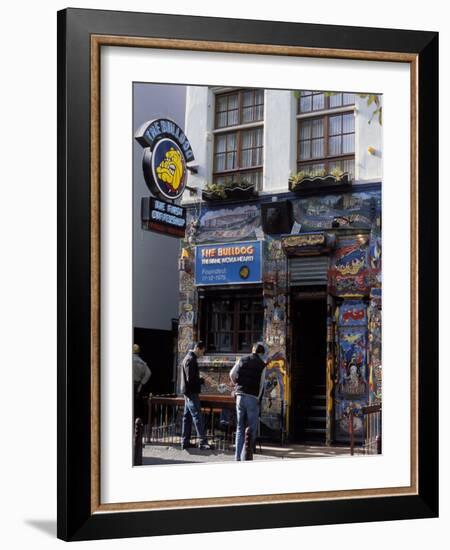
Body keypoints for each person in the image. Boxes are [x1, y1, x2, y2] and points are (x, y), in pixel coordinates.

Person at [230, 343, 266, 461]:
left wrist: (236, 384)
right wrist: (258, 398)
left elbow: (232, 374)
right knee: (252, 428)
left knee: (240, 427)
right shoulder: (262, 365)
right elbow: (261, 385)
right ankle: (246, 455)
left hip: (240, 396)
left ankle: (237, 457)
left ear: (252, 350)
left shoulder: (242, 359)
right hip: (252, 397)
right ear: (261, 353)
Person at [180, 341, 212, 450]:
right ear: (198, 348)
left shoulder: (188, 358)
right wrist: (202, 381)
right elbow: (191, 379)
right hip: (191, 392)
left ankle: (185, 442)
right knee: (197, 416)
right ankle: (202, 441)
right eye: (202, 352)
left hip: (187, 392)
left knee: (187, 417)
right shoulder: (191, 360)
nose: (202, 354)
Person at [133, 344, 151, 421]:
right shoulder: (142, 363)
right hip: (137, 386)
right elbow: (149, 373)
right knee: (137, 405)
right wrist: (142, 383)